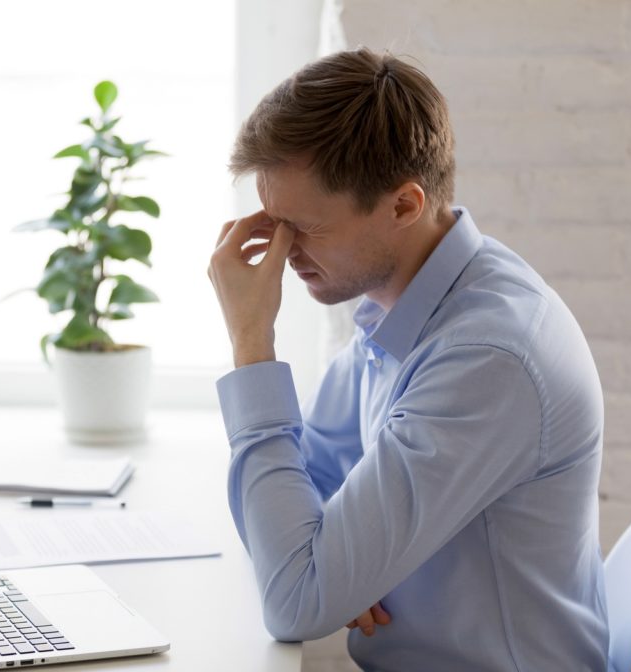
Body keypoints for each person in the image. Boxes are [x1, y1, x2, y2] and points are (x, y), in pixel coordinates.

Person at [207, 47, 610, 671]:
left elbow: (295, 597)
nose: (282, 254)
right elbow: (302, 484)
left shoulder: (485, 360)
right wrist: (324, 566)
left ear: (403, 205)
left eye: (303, 228)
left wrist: (250, 343)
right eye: (273, 224)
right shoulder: (403, 304)